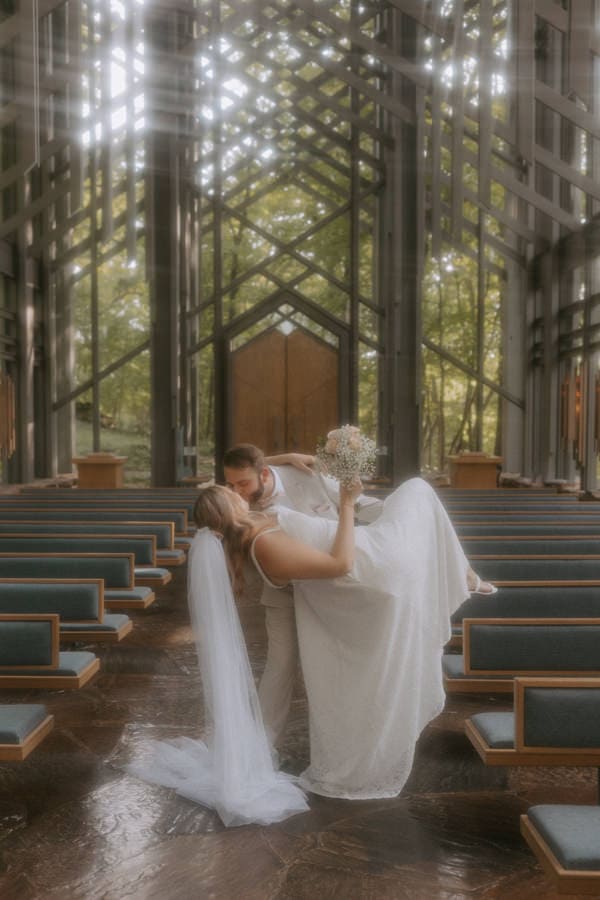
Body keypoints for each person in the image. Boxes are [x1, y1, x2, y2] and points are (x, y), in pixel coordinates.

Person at [191, 475, 496, 803]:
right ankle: (462, 575)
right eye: (230, 492)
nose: (238, 493)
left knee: (418, 492)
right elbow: (340, 564)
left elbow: (272, 468)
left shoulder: (255, 526)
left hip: (367, 549)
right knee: (416, 489)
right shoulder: (262, 543)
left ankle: (462, 574)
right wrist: (348, 503)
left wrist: (298, 461)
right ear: (227, 509)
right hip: (372, 562)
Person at [223, 443, 384, 748]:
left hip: (333, 587)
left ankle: (347, 742)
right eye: (231, 485)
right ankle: (262, 747)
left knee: (336, 662)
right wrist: (280, 454)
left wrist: (397, 519)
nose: (237, 492)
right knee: (280, 664)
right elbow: (222, 491)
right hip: (283, 590)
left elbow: (357, 503)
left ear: (266, 474)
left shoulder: (307, 475)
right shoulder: (240, 502)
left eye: (243, 483)